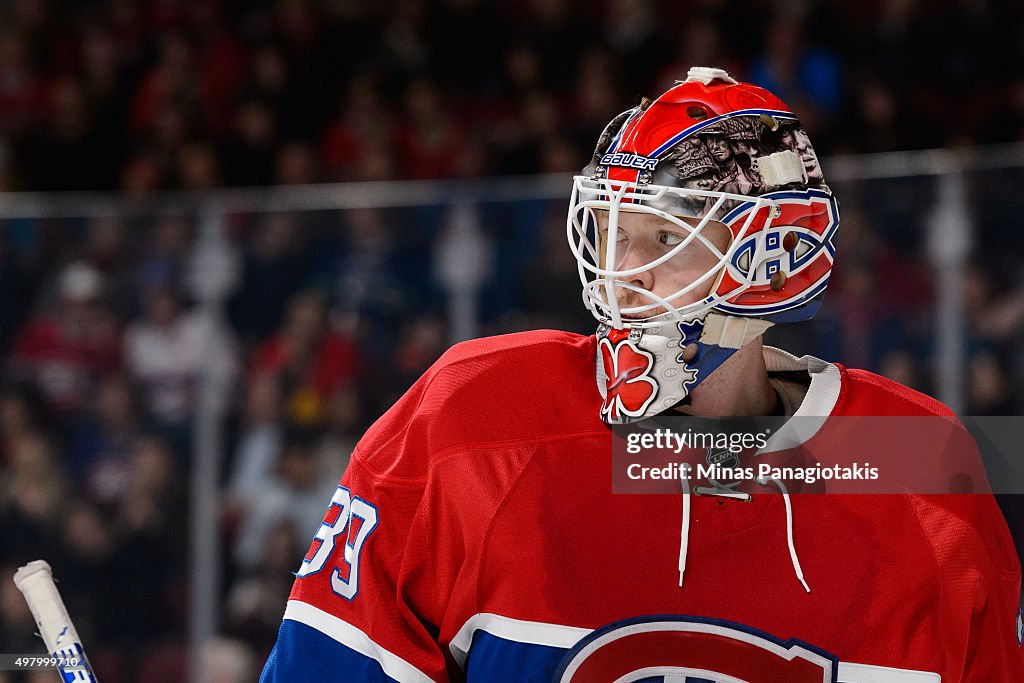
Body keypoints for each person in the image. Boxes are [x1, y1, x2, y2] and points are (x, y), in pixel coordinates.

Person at [260, 68, 1023, 681]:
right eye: (612, 233)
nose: (623, 276)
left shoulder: (920, 465)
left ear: (770, 260)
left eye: (662, 235)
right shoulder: (468, 418)